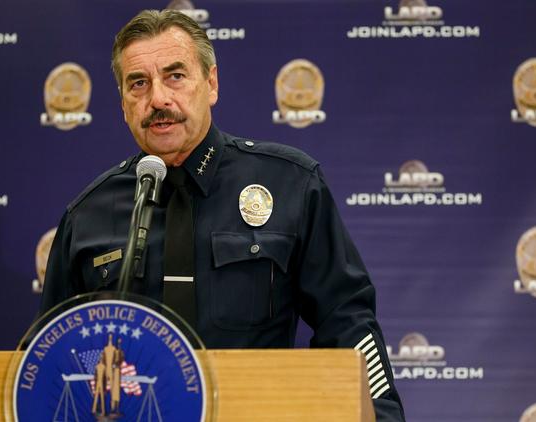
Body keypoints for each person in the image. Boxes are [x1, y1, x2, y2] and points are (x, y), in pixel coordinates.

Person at [39, 9, 405, 421]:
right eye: (138, 84)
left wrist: (379, 414)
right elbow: (52, 355)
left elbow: (348, 320)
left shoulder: (291, 183)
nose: (157, 99)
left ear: (211, 84)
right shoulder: (88, 215)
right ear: (123, 103)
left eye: (175, 76)